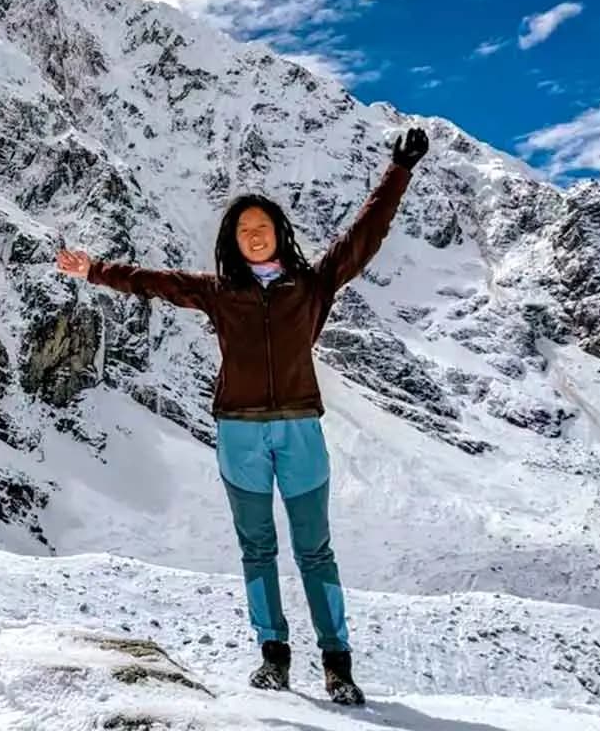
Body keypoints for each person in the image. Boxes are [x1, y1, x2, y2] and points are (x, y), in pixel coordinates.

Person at [57, 127, 430, 706]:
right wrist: (95, 270)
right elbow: (156, 282)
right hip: (239, 433)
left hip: (300, 429)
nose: (254, 236)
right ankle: (274, 657)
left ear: (279, 232)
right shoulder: (218, 291)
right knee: (257, 549)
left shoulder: (313, 284)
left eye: (263, 227)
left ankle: (337, 665)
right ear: (234, 240)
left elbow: (364, 236)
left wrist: (398, 171)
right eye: (243, 229)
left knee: (315, 550)